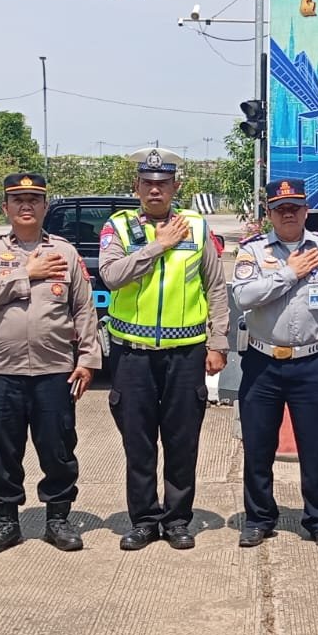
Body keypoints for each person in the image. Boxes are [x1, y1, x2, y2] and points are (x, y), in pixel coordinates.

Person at [99, 149, 228, 551]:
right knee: (138, 443)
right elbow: (111, 276)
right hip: (132, 355)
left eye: (163, 183)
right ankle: (143, 520)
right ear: (136, 187)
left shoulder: (196, 226)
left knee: (181, 441)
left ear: (176, 187)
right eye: (148, 183)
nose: (155, 190)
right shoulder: (118, 227)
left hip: (185, 354)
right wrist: (158, 246)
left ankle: (176, 520)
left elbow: (216, 287)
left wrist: (218, 341)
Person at [0, 172, 100, 555]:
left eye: (34, 200)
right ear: (5, 207)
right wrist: (26, 273)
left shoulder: (65, 253)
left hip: (54, 370)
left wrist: (88, 359)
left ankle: (57, 518)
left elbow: (83, 309)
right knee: (0, 449)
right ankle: (6, 521)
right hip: (2, 370)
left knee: (58, 447)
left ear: (45, 206)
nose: (26, 206)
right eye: (18, 200)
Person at [230, 178, 318, 551]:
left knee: (317, 446)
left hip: (312, 363)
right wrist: (290, 272)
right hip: (262, 362)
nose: (288, 214)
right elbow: (244, 296)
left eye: (295, 207)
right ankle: (258, 519)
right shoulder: (253, 251)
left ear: (306, 210)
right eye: (280, 209)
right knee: (258, 446)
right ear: (269, 213)